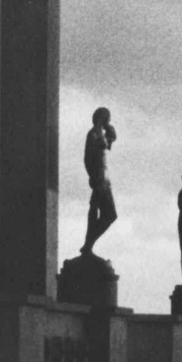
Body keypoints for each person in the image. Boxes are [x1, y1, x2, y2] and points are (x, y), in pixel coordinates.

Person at [79, 107, 118, 256]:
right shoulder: (93, 134)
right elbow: (87, 158)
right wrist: (92, 176)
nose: (109, 120)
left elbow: (111, 140)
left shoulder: (100, 133)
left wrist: (108, 128)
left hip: (105, 179)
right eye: (107, 118)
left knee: (97, 211)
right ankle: (88, 245)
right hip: (100, 180)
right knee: (110, 214)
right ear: (101, 118)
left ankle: (88, 245)